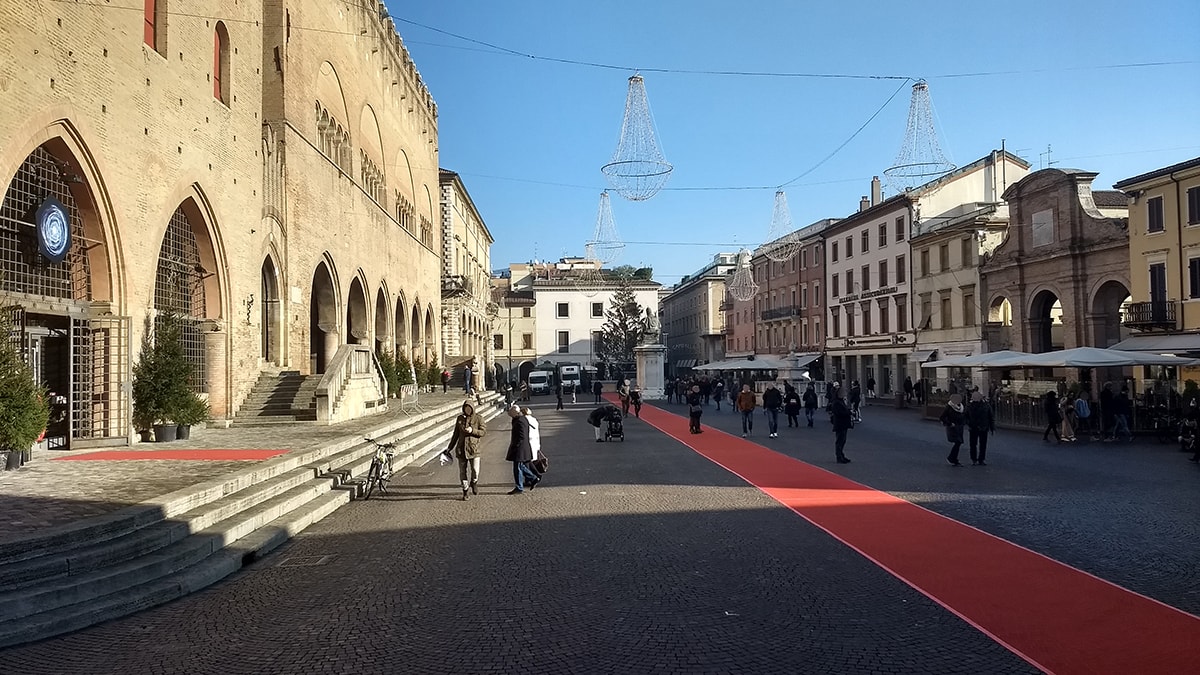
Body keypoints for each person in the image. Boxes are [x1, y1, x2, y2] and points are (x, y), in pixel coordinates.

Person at [446, 401, 486, 500]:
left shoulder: (478, 418)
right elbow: (455, 434)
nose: (467, 410)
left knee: (475, 470)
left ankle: (474, 482)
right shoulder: (460, 419)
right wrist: (449, 448)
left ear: (472, 408)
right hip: (461, 450)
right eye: (465, 408)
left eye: (469, 408)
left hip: (474, 449)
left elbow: (483, 432)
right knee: (462, 472)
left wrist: (473, 431)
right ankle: (465, 491)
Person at [505, 405, 539, 494]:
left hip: (520, 448)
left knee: (518, 468)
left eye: (510, 413)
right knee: (520, 466)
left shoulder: (520, 420)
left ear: (515, 412)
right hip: (521, 447)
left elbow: (522, 436)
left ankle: (520, 487)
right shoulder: (519, 419)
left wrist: (516, 446)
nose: (509, 414)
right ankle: (533, 478)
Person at [965, 391, 994, 466]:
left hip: (975, 427)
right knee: (981, 444)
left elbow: (965, 417)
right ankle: (980, 459)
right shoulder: (986, 405)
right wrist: (991, 427)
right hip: (982, 427)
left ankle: (974, 459)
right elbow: (991, 417)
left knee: (974, 444)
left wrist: (969, 423)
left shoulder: (969, 406)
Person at [940, 393, 967, 466]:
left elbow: (964, 415)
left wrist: (964, 422)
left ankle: (953, 458)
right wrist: (949, 423)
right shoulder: (949, 407)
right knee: (958, 442)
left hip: (959, 427)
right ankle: (952, 458)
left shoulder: (961, 407)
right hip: (952, 427)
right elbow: (942, 417)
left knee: (958, 443)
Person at [829, 385, 853, 464]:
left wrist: (848, 411)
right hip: (840, 424)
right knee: (840, 441)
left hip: (843, 423)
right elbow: (839, 413)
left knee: (842, 441)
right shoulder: (836, 402)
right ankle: (839, 457)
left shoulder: (840, 401)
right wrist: (849, 412)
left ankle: (841, 455)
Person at [522, 406, 545, 482]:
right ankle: (531, 477)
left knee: (526, 461)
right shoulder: (534, 420)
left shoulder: (524, 420)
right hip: (535, 442)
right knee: (528, 461)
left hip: (528, 443)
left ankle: (533, 476)